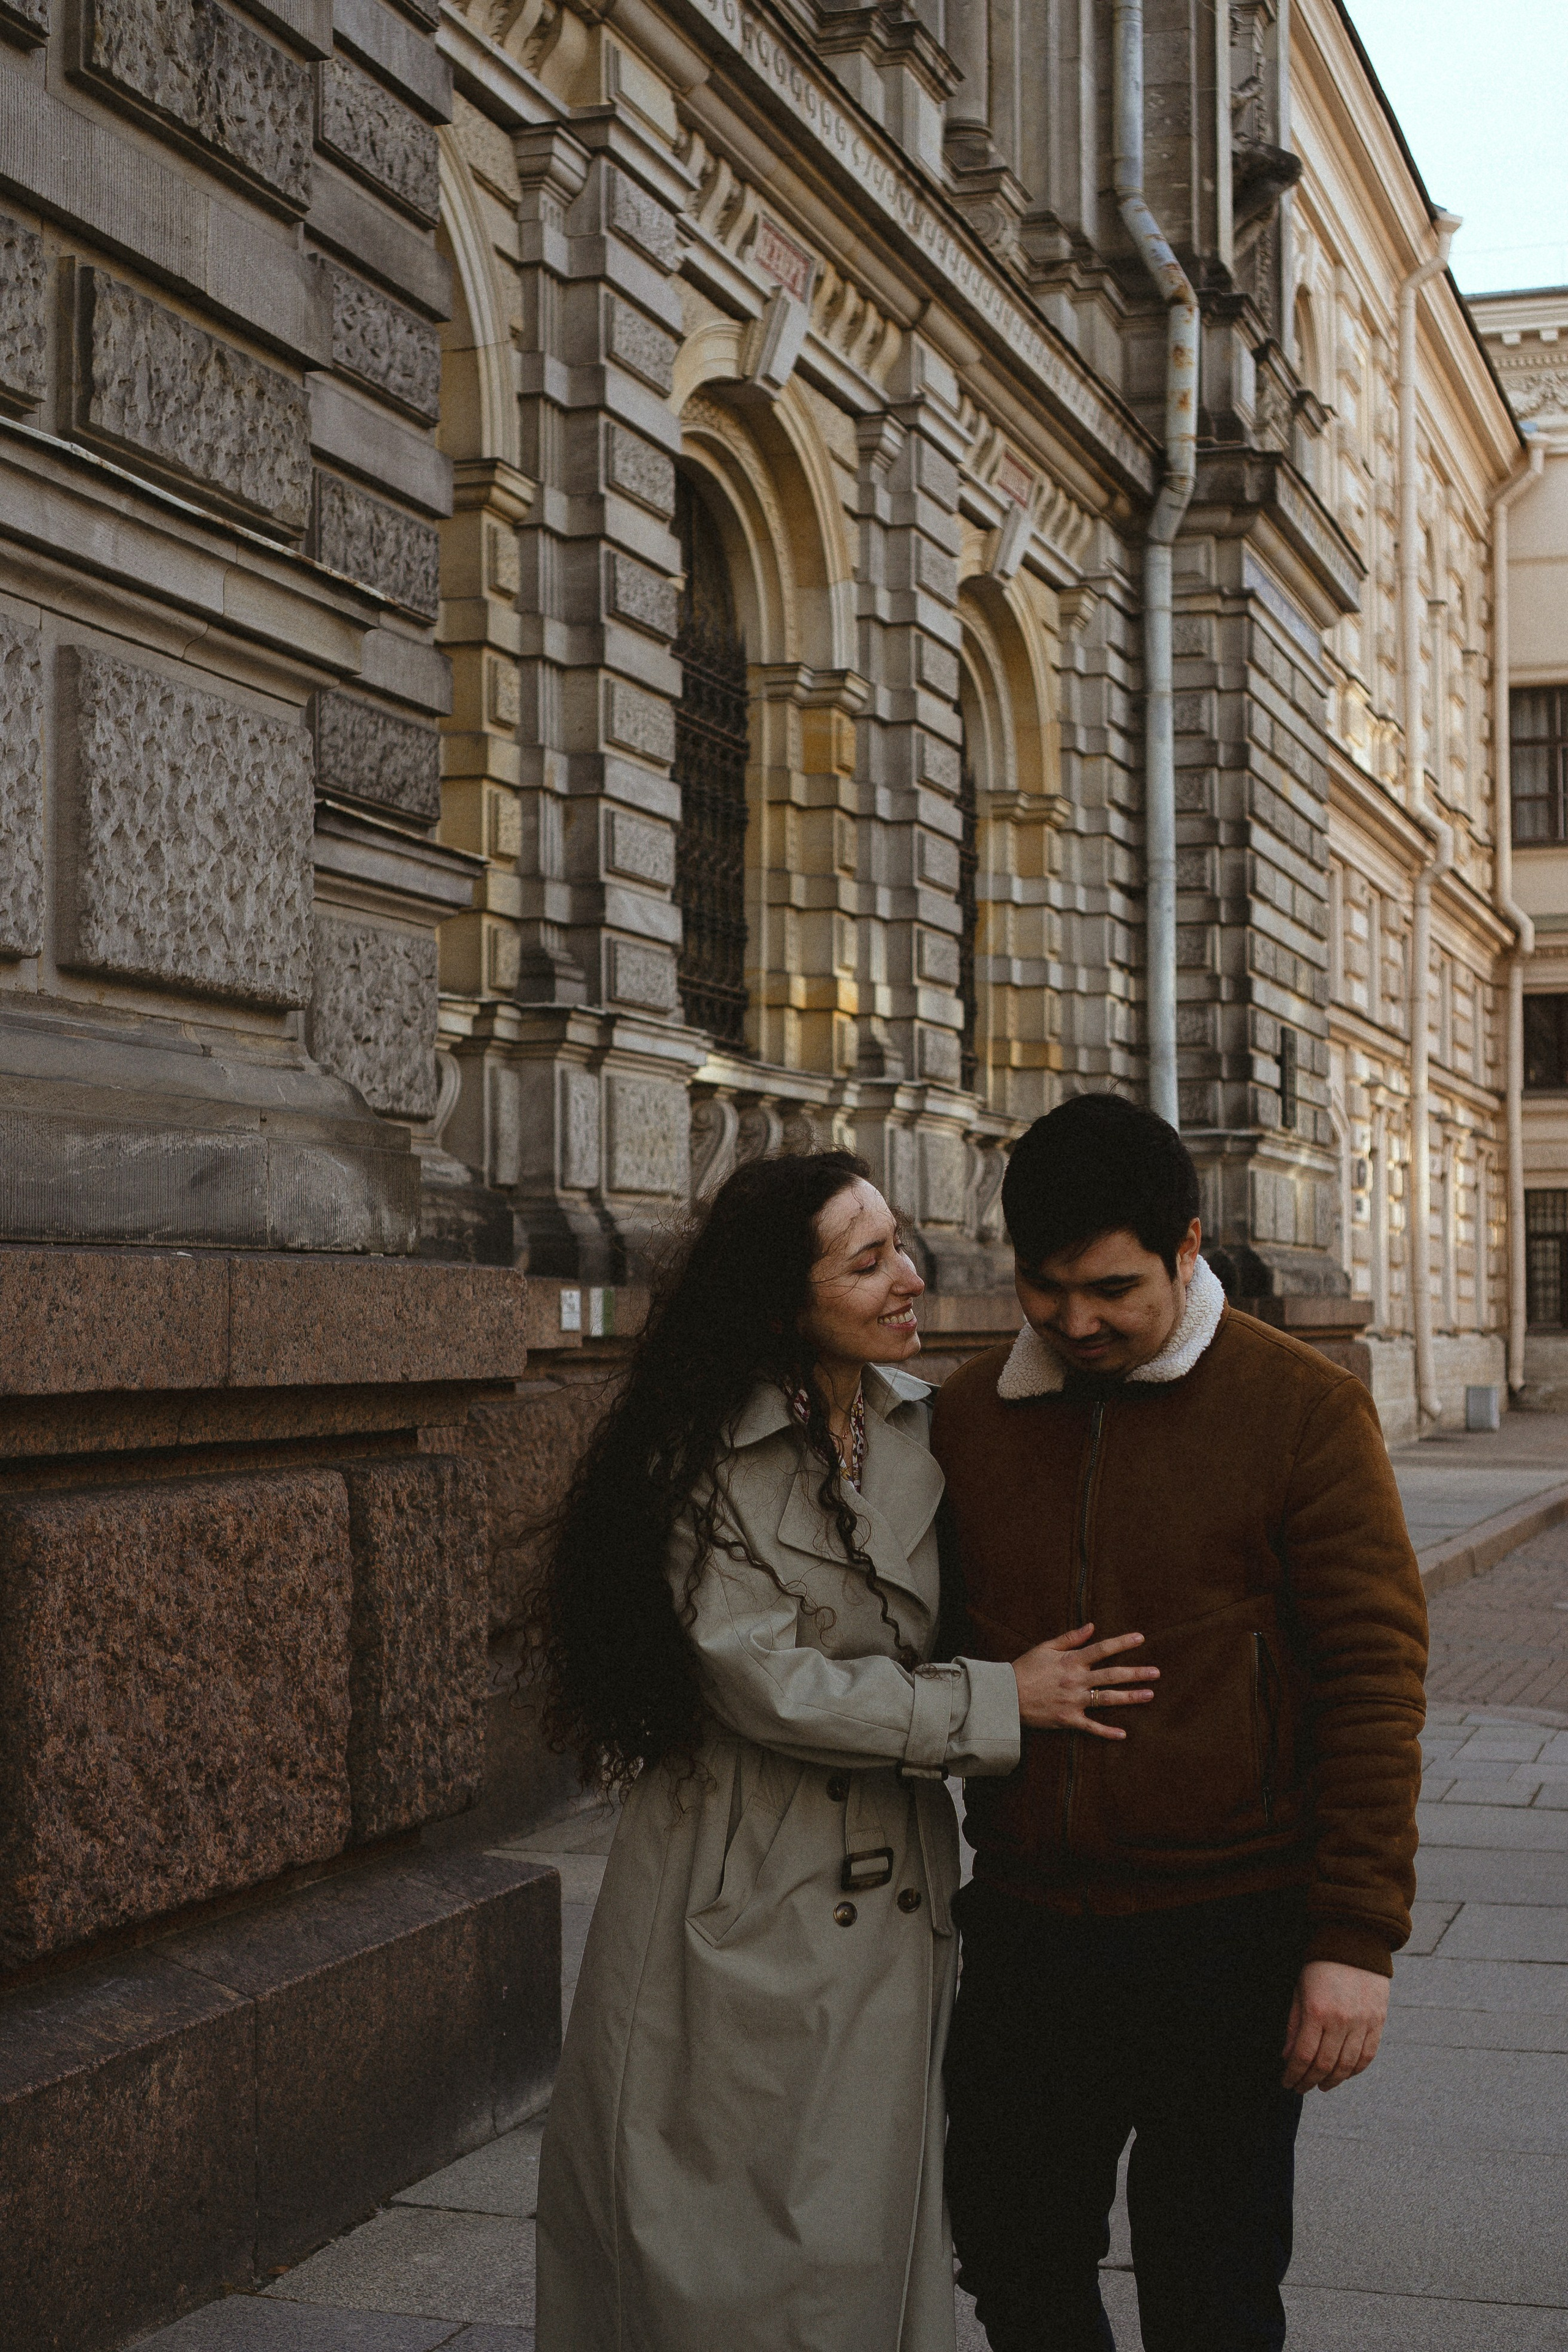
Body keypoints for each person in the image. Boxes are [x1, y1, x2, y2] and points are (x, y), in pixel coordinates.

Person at [529, 1150, 1153, 2352]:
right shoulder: (697, 1451)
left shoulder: (923, 1424)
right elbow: (764, 1681)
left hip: (893, 1874)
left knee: (859, 2228)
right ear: (781, 1299)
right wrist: (996, 1703)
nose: (911, 1278)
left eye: (900, 1245)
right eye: (868, 1263)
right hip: (743, 1875)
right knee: (724, 2233)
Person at [932, 1093, 1428, 2352]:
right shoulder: (967, 1417)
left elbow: (1373, 1680)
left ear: (1186, 1247)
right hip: (1030, 1924)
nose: (1075, 1322)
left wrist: (1354, 1940)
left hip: (1230, 1932)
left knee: (1211, 2294)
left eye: (1112, 1289)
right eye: (1044, 1290)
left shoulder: (1301, 1408)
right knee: (1010, 2259)